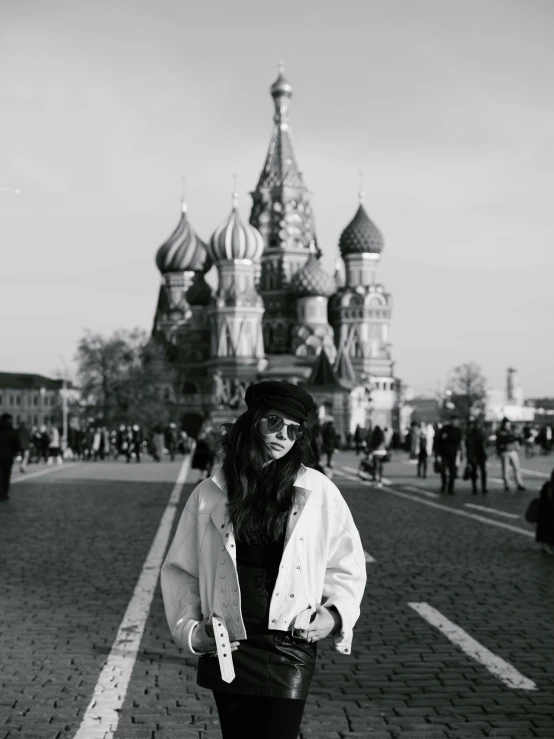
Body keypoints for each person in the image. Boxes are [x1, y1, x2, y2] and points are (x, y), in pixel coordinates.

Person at [161, 380, 367, 739]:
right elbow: (182, 570)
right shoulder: (210, 492)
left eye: (293, 429)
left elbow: (346, 565)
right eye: (273, 421)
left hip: (289, 642)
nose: (282, 435)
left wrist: (334, 616)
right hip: (226, 642)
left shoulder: (319, 490)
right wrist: (192, 632)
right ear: (252, 421)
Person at [495, 418, 526, 492]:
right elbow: (506, 438)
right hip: (505, 451)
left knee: (517, 468)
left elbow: (519, 437)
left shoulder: (512, 431)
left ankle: (519, 483)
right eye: (506, 424)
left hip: (513, 451)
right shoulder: (501, 432)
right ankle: (507, 484)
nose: (508, 425)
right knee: (506, 469)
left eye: (508, 424)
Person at [436, 415, 463, 494]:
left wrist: (461, 453)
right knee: (443, 470)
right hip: (444, 453)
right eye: (453, 420)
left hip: (453, 453)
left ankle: (451, 487)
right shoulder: (444, 429)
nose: (454, 422)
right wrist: (438, 453)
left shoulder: (458, 431)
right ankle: (444, 485)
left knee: (452, 471)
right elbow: (439, 440)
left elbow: (458, 441)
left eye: (455, 421)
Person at [0, 413, 22, 501]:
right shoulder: (12, 431)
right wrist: (14, 453)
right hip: (8, 457)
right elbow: (17, 445)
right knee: (6, 476)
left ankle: (1, 493)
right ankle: (4, 493)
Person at [465, 417, 488, 494]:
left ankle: (482, 487)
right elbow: (468, 445)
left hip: (480, 454)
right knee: (475, 471)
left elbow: (485, 444)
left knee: (481, 471)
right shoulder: (472, 433)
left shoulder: (481, 432)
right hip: (475, 454)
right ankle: (476, 487)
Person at [535, 468, 554, 555]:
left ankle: (546, 544)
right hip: (548, 516)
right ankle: (547, 544)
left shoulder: (547, 485)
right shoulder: (549, 487)